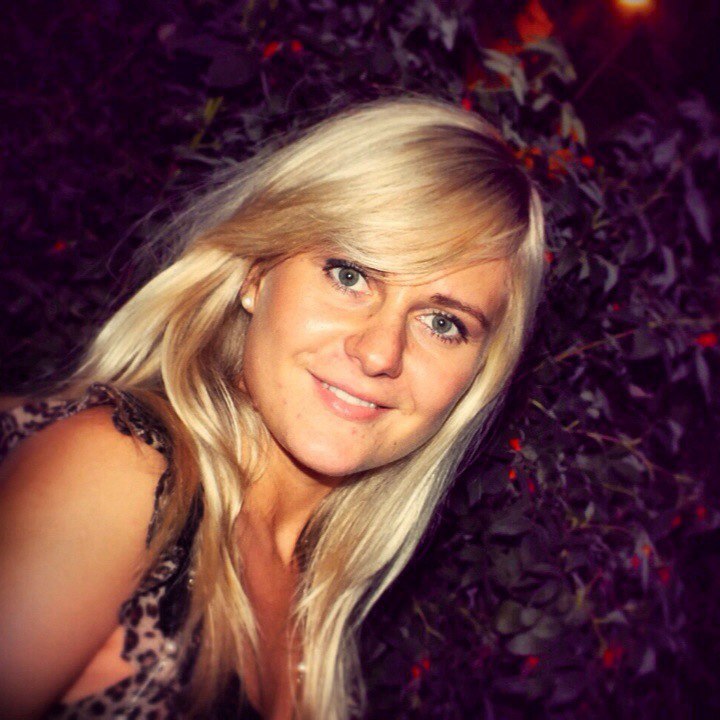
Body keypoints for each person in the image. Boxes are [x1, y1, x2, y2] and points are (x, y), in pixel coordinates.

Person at [0, 94, 546, 720]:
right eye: (349, 275)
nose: (379, 353)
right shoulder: (120, 474)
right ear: (256, 275)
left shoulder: (318, 596)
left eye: (443, 323)